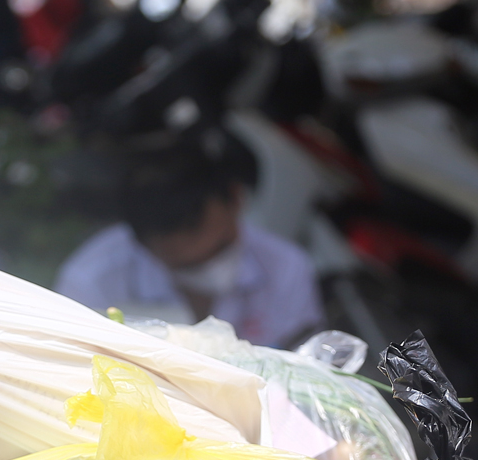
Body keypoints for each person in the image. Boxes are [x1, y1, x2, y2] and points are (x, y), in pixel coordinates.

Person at [55, 145, 324, 349]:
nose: (211, 269)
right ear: (142, 245)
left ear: (236, 199)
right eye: (188, 267)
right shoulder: (91, 284)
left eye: (220, 250)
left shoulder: (286, 267)